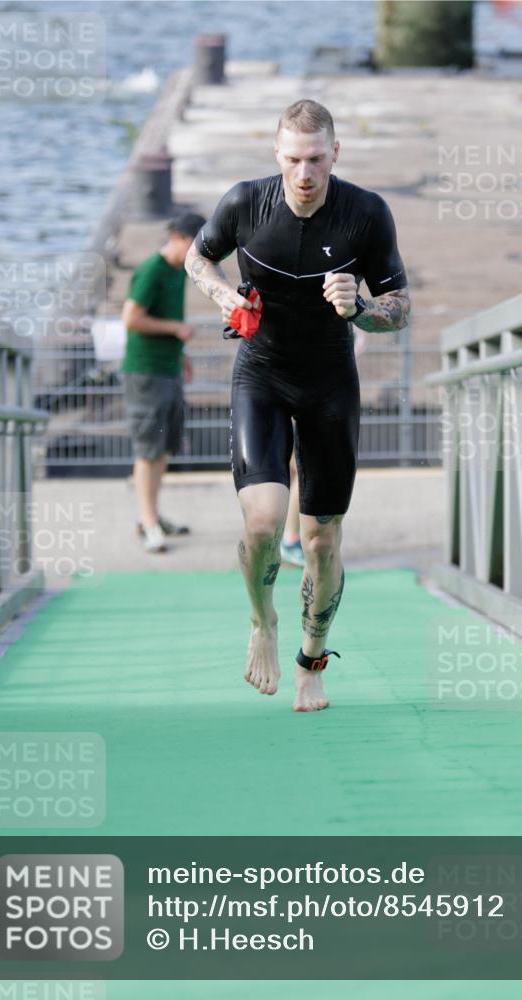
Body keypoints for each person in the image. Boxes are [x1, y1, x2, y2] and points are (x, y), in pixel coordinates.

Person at [185, 99, 410, 711]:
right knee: (261, 523)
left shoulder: (366, 214)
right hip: (261, 373)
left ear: (335, 153)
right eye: (292, 159)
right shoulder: (244, 203)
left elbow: (401, 308)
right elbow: (196, 256)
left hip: (331, 383)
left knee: (322, 540)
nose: (304, 173)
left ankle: (313, 660)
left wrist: (360, 307)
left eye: (315, 159)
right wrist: (224, 295)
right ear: (276, 155)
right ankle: (263, 621)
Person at [121, 211, 205, 553]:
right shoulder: (152, 269)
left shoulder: (178, 271)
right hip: (146, 371)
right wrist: (175, 331)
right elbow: (131, 318)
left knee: (163, 447)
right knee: (147, 450)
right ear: (180, 239)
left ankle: (153, 515)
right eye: (197, 245)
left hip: (167, 367)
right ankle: (148, 522)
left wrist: (179, 351)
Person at [280, 329, 368, 568]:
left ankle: (290, 537)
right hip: (298, 388)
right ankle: (290, 539)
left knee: (299, 469)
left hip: (312, 387)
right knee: (300, 468)